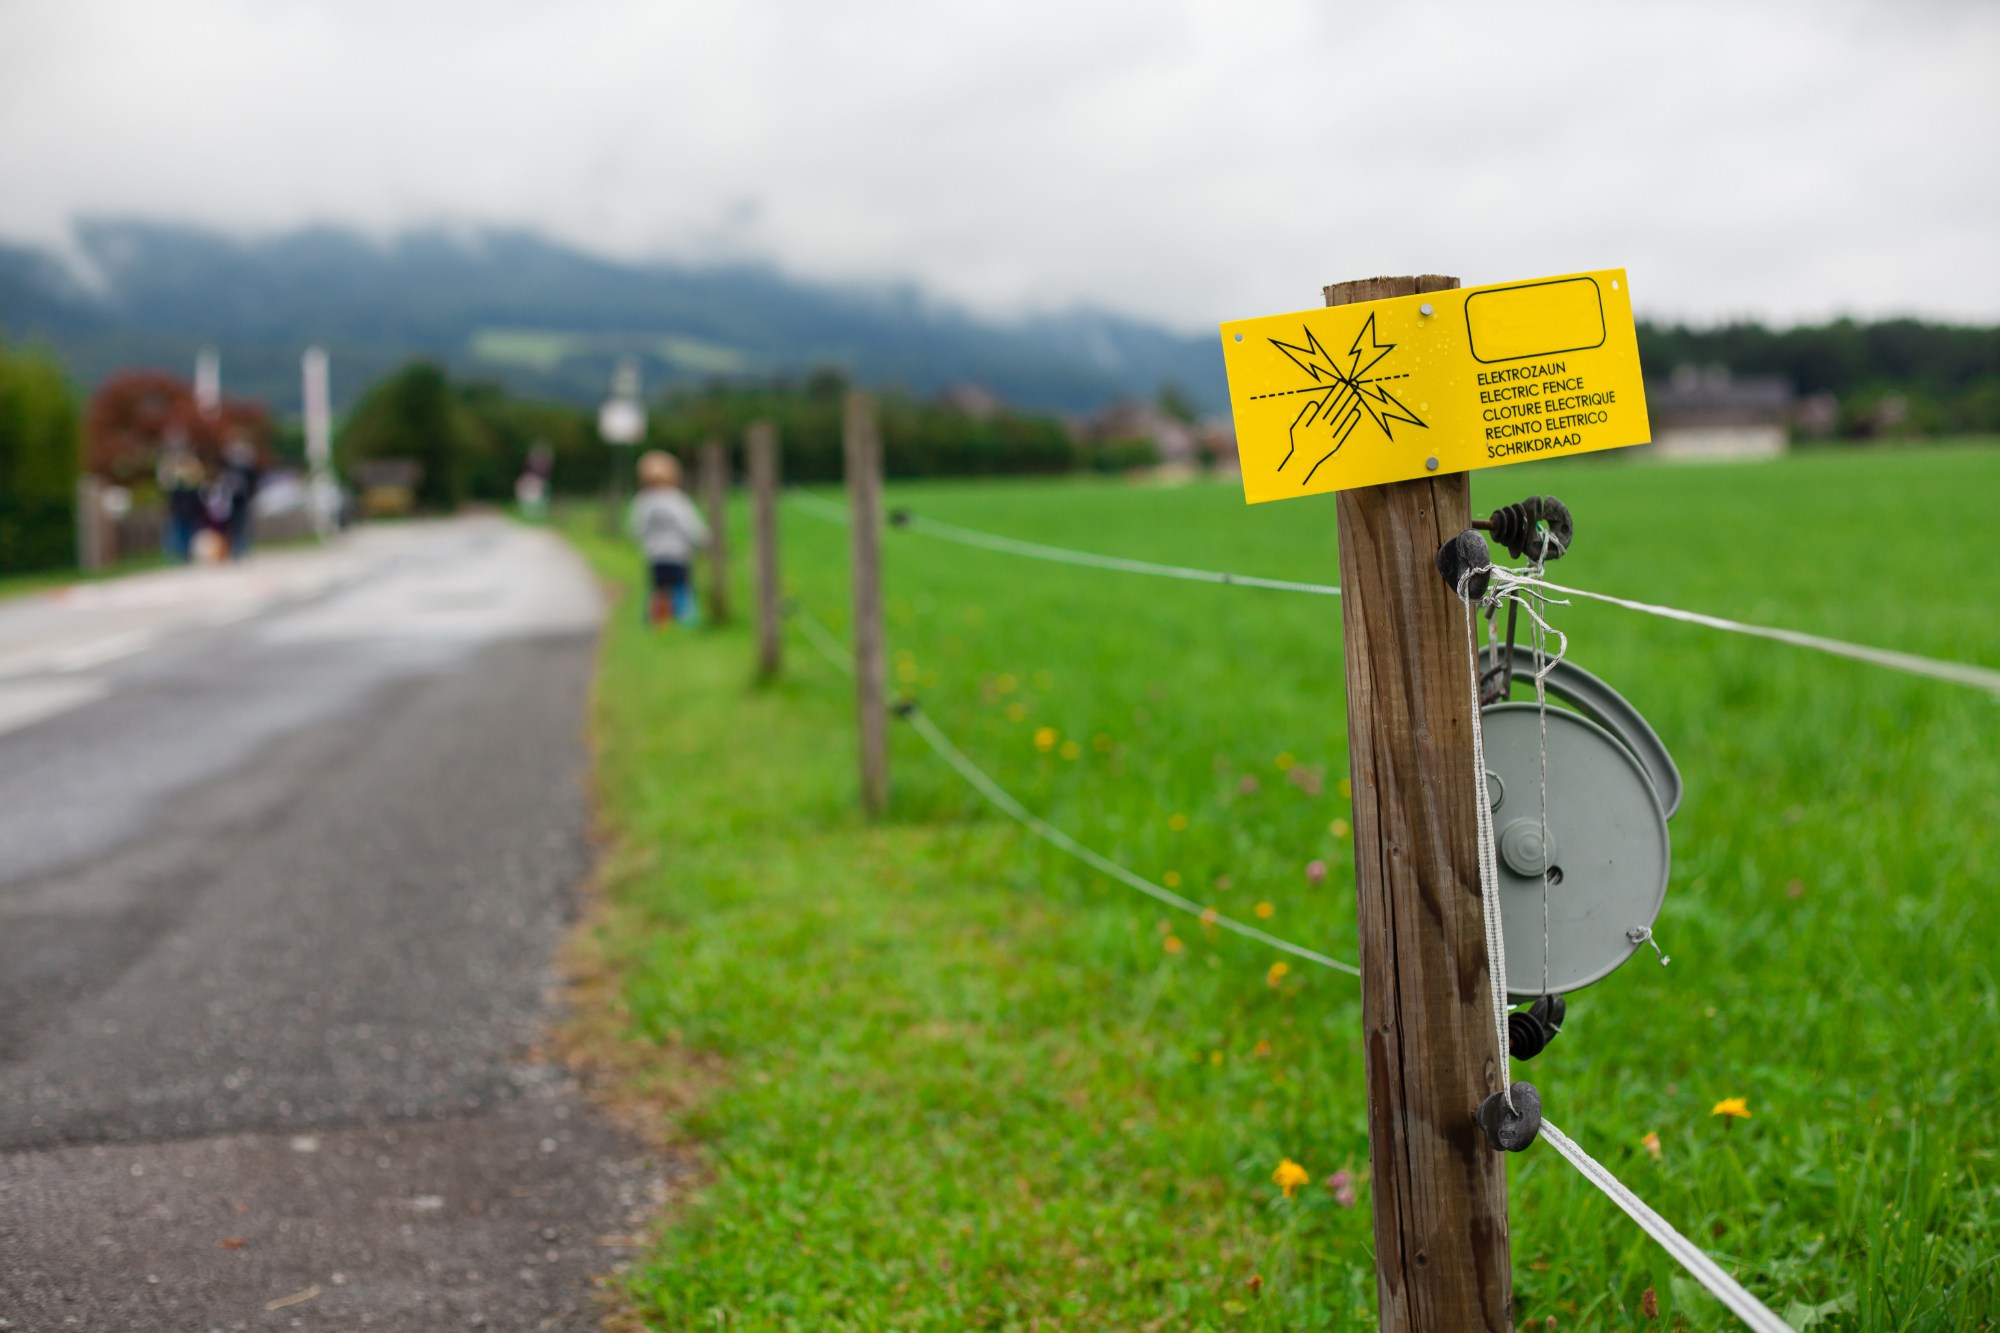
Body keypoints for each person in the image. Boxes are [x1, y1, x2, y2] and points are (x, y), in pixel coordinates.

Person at [626, 450, 708, 628]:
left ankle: (659, 623)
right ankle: (686, 623)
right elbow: (691, 525)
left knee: (659, 590)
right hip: (679, 554)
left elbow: (635, 529)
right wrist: (703, 541)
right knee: (681, 589)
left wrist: (647, 542)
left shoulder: (642, 501)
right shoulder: (678, 499)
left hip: (655, 555)